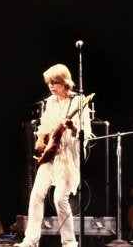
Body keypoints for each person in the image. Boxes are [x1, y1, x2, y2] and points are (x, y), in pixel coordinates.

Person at [15, 64, 91, 247]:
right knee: (36, 194)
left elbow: (85, 134)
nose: (50, 86)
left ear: (64, 82)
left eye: (54, 82)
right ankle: (31, 240)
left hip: (68, 158)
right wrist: (41, 139)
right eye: (49, 82)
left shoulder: (78, 101)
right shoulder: (50, 102)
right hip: (51, 155)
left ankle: (70, 242)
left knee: (59, 198)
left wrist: (72, 127)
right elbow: (45, 126)